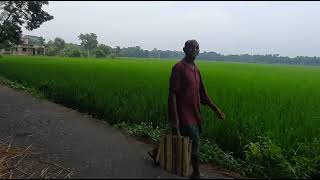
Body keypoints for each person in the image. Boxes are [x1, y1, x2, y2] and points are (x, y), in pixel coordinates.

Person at [168, 39, 225, 179]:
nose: (195, 50)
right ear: (184, 49)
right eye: (192, 47)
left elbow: (203, 94)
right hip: (184, 115)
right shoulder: (178, 68)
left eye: (197, 48)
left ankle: (158, 154)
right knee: (193, 142)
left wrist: (216, 109)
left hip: (195, 114)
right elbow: (172, 95)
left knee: (183, 140)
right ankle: (196, 173)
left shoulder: (196, 69)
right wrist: (175, 121)